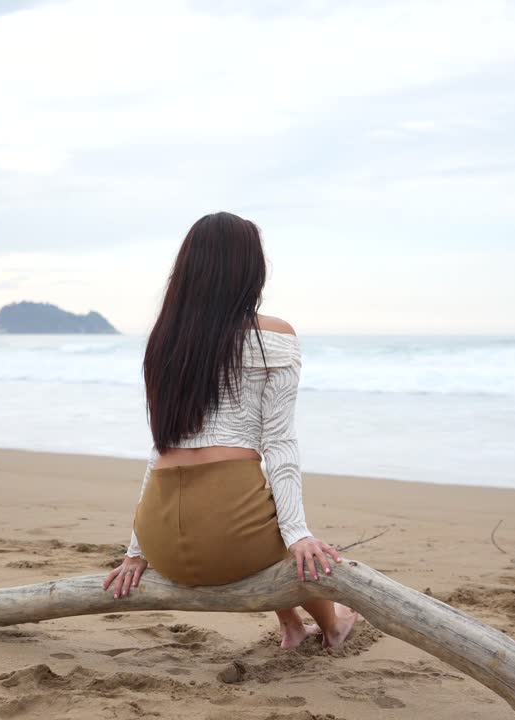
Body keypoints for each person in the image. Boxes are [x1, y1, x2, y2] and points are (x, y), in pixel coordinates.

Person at [102, 211, 361, 650]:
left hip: (162, 540)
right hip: (233, 543)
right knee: (278, 533)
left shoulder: (165, 341)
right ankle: (332, 626)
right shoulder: (274, 335)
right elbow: (279, 442)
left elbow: (159, 448)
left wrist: (137, 551)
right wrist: (298, 532)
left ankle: (292, 625)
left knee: (253, 513)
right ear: (249, 269)